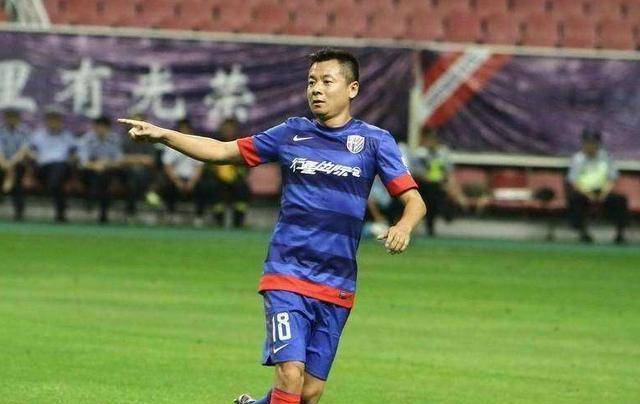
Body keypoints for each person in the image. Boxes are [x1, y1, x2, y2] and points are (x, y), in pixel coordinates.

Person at [119, 48, 426, 404]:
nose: (316, 89)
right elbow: (222, 151)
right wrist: (163, 135)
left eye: (327, 81)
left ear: (352, 88)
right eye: (311, 82)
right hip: (287, 272)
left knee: (309, 392)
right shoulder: (291, 133)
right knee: (290, 374)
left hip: (337, 280)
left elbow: (415, 201)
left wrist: (403, 226)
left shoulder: (374, 141)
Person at [566, 129, 629, 244]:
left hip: (603, 191)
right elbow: (573, 181)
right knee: (575, 199)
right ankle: (583, 234)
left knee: (620, 199)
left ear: (598, 144)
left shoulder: (606, 157)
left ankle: (620, 234)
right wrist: (588, 194)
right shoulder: (577, 158)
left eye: (593, 143)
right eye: (587, 142)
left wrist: (604, 193)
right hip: (584, 192)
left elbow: (612, 178)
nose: (590, 146)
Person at [412, 127, 467, 236]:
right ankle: (444, 214)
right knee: (431, 195)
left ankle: (446, 213)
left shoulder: (442, 153)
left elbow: (448, 172)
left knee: (437, 195)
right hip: (424, 185)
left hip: (439, 185)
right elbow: (416, 172)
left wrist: (453, 188)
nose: (432, 142)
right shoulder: (420, 154)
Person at [159, 118, 214, 226]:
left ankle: (199, 216)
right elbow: (167, 165)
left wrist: (192, 182)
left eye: (186, 129)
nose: (184, 131)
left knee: (205, 187)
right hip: (176, 178)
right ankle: (170, 214)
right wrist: (177, 181)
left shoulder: (196, 144)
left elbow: (199, 166)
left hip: (192, 179)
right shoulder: (171, 144)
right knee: (167, 186)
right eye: (182, 128)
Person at [29, 107, 77, 223]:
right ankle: (59, 209)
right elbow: (30, 151)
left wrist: (71, 160)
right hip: (43, 168)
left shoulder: (68, 136)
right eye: (51, 119)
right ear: (46, 120)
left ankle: (53, 185)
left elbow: (74, 154)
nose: (53, 122)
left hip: (63, 167)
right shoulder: (38, 135)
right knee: (57, 178)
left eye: (56, 119)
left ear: (60, 121)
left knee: (59, 170)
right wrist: (34, 157)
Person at [78, 116, 123, 223]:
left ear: (108, 128)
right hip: (89, 171)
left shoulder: (114, 140)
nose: (100, 129)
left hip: (108, 170)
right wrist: (96, 165)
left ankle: (96, 203)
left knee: (105, 176)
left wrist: (105, 164)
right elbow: (83, 162)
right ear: (94, 127)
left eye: (103, 127)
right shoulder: (86, 139)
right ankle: (94, 200)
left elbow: (119, 161)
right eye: (98, 126)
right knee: (98, 176)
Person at [211, 117, 251, 227]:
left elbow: (247, 162)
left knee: (242, 189)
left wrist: (239, 171)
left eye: (230, 128)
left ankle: (238, 222)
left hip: (236, 179)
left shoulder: (241, 143)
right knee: (212, 187)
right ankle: (218, 222)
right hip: (219, 179)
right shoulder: (215, 143)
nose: (228, 130)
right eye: (226, 128)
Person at [0, 109, 31, 221]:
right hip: (2, 162)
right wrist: (5, 164)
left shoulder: (24, 131)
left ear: (18, 119)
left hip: (18, 163)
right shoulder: (1, 130)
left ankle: (19, 212)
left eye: (14, 117)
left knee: (17, 181)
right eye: (9, 117)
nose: (11, 119)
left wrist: (10, 166)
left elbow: (23, 150)